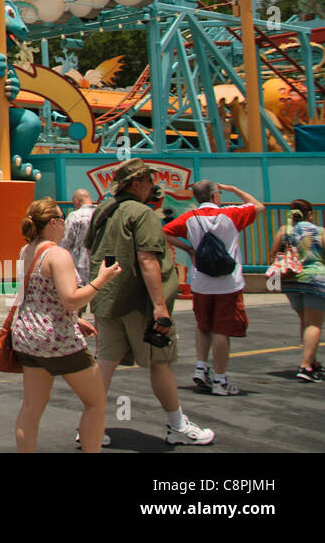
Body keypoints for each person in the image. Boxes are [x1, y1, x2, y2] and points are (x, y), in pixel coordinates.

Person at [85, 158, 215, 445]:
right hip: (138, 303)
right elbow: (147, 258)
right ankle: (177, 425)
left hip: (107, 300)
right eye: (148, 180)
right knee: (160, 362)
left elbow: (92, 250)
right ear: (135, 183)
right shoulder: (143, 215)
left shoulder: (103, 212)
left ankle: (89, 428)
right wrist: (159, 307)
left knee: (104, 364)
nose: (153, 185)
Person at [10, 197, 121, 452]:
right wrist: (101, 280)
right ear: (53, 223)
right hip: (57, 339)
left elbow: (39, 294)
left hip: (27, 335)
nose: (64, 224)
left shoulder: (27, 251)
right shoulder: (58, 255)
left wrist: (75, 318)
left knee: (31, 407)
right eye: (62, 218)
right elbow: (71, 299)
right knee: (95, 402)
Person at [162, 180, 263, 395]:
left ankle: (201, 366)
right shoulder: (231, 214)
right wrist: (234, 189)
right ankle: (220, 379)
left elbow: (164, 231)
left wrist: (189, 249)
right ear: (216, 196)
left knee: (203, 325)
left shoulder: (189, 217)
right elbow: (258, 206)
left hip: (201, 281)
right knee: (221, 331)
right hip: (228, 282)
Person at [269, 199, 324, 382]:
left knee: (305, 322)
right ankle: (306, 366)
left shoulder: (284, 231)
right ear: (310, 214)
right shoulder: (319, 231)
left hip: (291, 281)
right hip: (314, 279)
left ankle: (313, 362)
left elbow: (273, 254)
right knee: (314, 324)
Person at [61, 190, 95, 286]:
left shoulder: (74, 216)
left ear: (76, 201)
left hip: (80, 268)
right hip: (100, 268)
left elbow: (65, 243)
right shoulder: (102, 214)